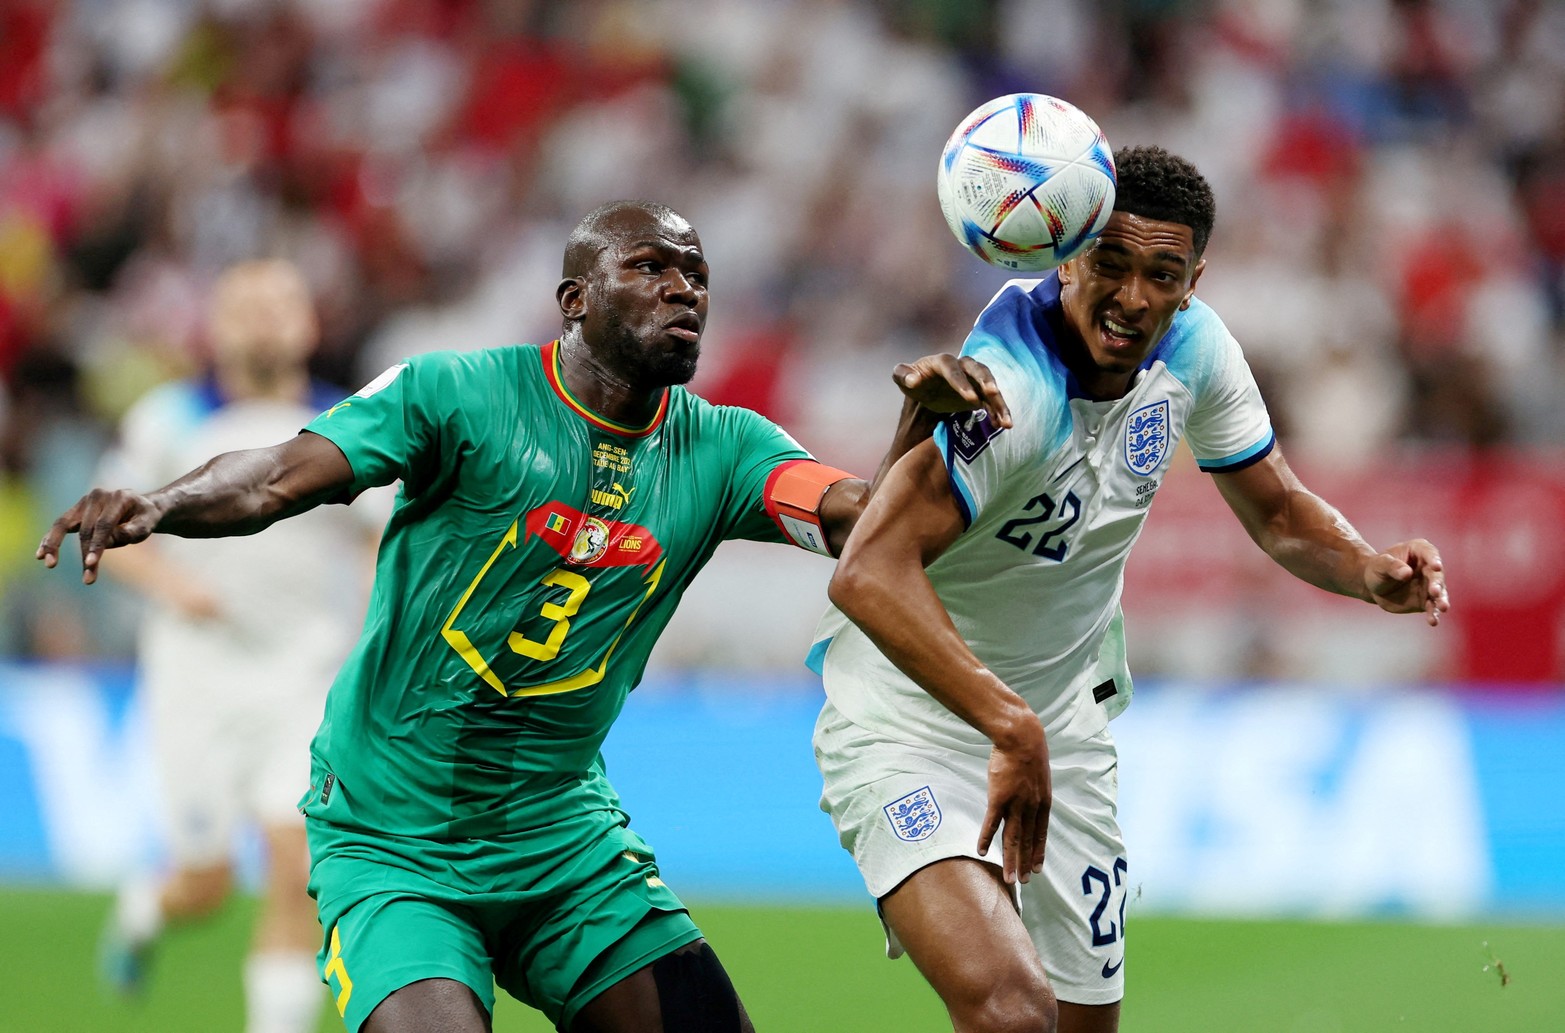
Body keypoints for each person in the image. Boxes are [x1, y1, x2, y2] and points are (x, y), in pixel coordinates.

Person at [38, 199, 1010, 1033]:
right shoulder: (456, 395)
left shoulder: (725, 450)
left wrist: (917, 432)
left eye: (697, 275)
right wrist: (156, 504)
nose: (683, 289)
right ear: (574, 301)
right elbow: (280, 476)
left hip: (562, 842)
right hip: (392, 840)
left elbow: (864, 522)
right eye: (650, 267)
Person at [809, 146, 1450, 1033]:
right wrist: (1005, 720)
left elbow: (1280, 513)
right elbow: (866, 570)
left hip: (1058, 732)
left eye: (1162, 273)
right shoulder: (1009, 396)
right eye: (1110, 263)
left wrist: (1366, 567)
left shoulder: (1195, 348)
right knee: (1011, 1012)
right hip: (909, 729)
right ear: (1064, 253)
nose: (1134, 296)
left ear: (1193, 280)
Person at [94, 259, 387, 1033]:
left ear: (308, 325)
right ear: (216, 327)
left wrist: (368, 616)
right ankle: (145, 908)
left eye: (278, 306)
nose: (262, 320)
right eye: (244, 308)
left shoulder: (345, 424)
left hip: (303, 675)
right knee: (208, 883)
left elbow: (380, 538)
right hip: (198, 678)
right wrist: (172, 585)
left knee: (298, 867)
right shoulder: (169, 420)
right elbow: (110, 533)